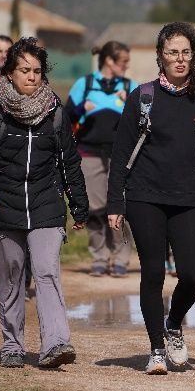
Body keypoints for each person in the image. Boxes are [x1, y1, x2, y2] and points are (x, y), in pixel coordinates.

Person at [107, 22, 195, 375]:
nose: (179, 59)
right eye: (172, 52)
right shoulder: (142, 97)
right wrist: (116, 203)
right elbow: (120, 155)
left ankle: (174, 323)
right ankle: (156, 349)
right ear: (160, 57)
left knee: (193, 273)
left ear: (194, 57)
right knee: (152, 273)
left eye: (185, 53)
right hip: (145, 196)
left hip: (188, 197)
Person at [0, 37, 88, 368]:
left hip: (46, 204)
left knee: (47, 271)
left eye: (37, 71)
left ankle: (56, 342)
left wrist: (79, 204)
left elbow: (69, 161)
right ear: (9, 73)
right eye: (25, 70)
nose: (32, 77)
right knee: (11, 278)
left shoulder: (55, 113)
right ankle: (12, 345)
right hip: (3, 205)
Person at [63, 41, 138, 277]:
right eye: (123, 62)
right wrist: (80, 109)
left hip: (121, 156)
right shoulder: (83, 85)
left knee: (120, 207)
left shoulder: (130, 87)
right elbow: (65, 118)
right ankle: (99, 255)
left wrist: (131, 105)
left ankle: (121, 257)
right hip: (89, 154)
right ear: (109, 60)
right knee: (95, 209)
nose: (127, 66)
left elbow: (145, 122)